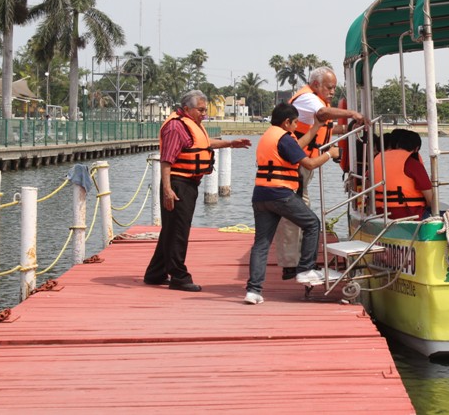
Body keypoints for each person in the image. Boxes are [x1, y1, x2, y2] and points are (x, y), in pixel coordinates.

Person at [144, 90, 252, 292]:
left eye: (205, 110)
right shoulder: (176, 127)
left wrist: (231, 143)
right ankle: (179, 276)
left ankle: (155, 273)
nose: (204, 114)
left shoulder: (191, 124)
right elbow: (166, 160)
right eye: (201, 110)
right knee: (178, 232)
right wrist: (167, 190)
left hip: (189, 183)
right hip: (178, 184)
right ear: (187, 109)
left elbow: (204, 144)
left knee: (171, 229)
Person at [274, 66, 366, 280]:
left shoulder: (315, 100)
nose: (333, 92)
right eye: (329, 87)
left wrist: (348, 128)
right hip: (295, 164)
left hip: (304, 163)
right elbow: (322, 115)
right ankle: (292, 264)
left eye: (335, 88)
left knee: (301, 210)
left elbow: (323, 128)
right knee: (294, 213)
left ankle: (299, 261)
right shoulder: (309, 99)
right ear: (316, 85)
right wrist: (352, 112)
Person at [245, 103, 341, 305]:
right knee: (312, 224)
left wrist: (315, 127)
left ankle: (253, 291)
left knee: (262, 243)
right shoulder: (284, 138)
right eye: (295, 122)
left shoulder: (270, 135)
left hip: (260, 195)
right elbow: (310, 164)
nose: (297, 126)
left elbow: (296, 147)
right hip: (280, 194)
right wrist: (329, 154)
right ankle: (305, 270)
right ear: (286, 122)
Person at [373, 129, 432, 220]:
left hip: (380, 212)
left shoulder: (377, 159)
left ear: (397, 144)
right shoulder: (413, 164)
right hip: (410, 214)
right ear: (416, 149)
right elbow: (431, 200)